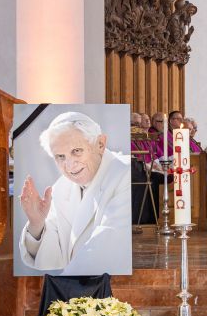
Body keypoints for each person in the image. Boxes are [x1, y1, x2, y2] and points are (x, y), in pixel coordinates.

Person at [18, 112, 131, 272]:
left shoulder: (125, 172)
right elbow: (53, 257)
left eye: (76, 151)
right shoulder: (61, 187)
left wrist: (63, 288)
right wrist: (37, 224)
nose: (70, 165)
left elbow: (108, 245)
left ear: (100, 144)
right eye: (60, 156)